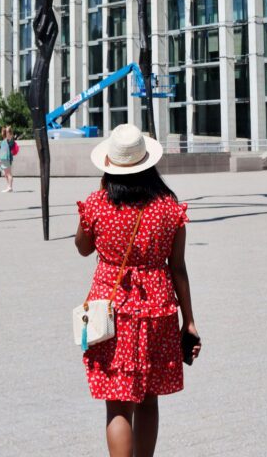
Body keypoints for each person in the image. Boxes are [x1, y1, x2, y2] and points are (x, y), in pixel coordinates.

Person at [75, 123, 201, 457]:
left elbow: (83, 247)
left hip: (111, 308)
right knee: (148, 398)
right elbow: (178, 266)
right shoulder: (169, 207)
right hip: (157, 307)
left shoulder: (98, 203)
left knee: (117, 405)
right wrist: (189, 321)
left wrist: (97, 199)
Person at [0, 126, 15, 191]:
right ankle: (8, 186)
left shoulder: (9, 140)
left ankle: (10, 187)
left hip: (7, 159)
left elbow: (9, 148)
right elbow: (2, 151)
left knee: (8, 173)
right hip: (3, 159)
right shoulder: (4, 141)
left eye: (6, 131)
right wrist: (0, 160)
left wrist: (8, 130)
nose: (5, 132)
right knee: (5, 174)